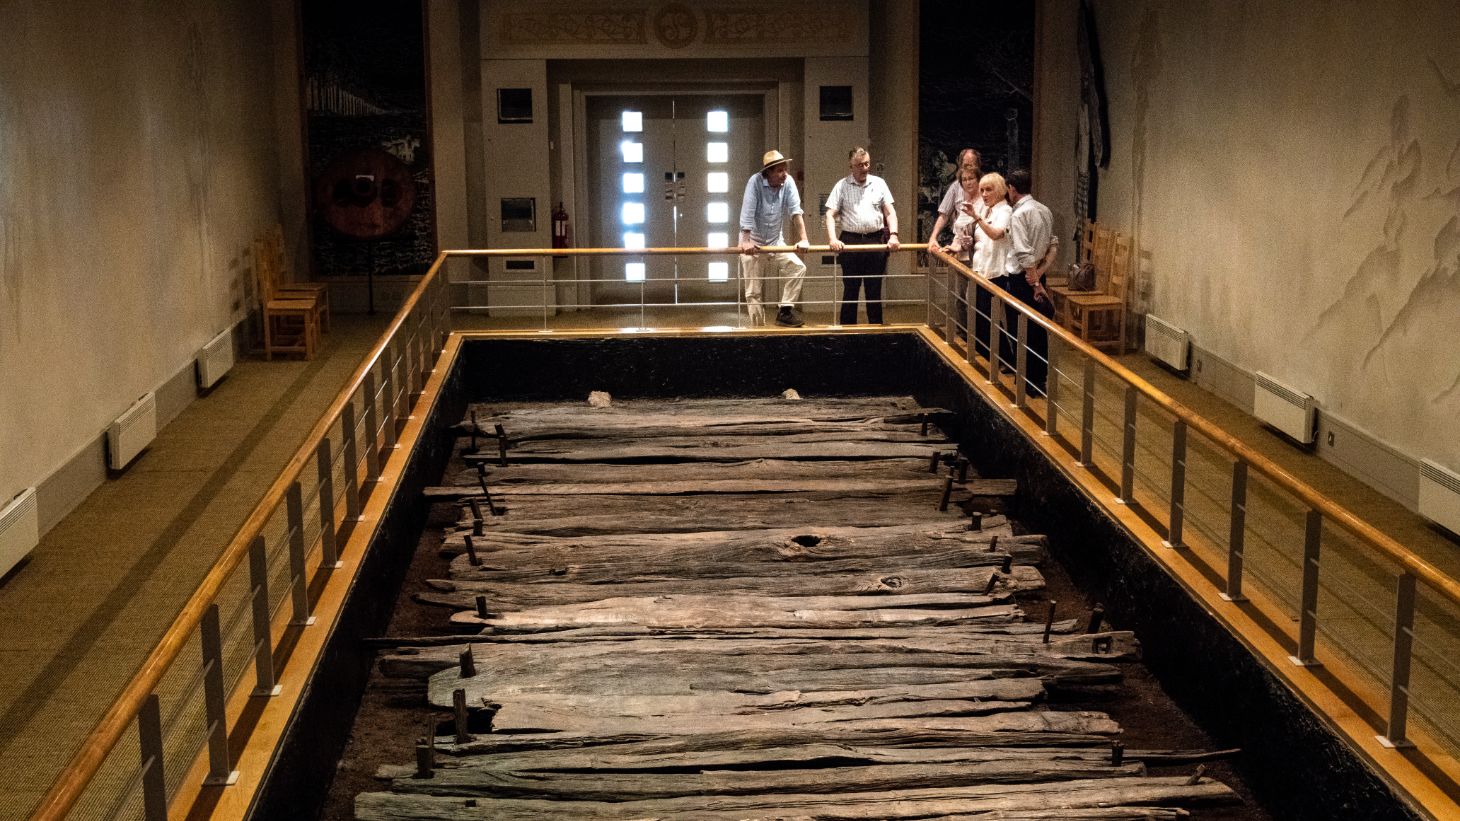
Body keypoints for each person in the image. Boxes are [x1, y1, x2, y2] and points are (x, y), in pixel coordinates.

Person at [825, 147, 900, 325]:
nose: (864, 168)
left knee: (874, 290)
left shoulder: (879, 183)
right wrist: (833, 239)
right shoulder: (841, 186)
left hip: (876, 240)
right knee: (850, 290)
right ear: (851, 166)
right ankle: (846, 333)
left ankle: (876, 331)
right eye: (859, 165)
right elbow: (829, 215)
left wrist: (894, 235)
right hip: (850, 242)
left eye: (866, 164)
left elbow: (890, 213)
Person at [738, 149, 810, 327]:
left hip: (776, 241)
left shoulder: (788, 182)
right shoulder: (754, 182)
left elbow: (795, 211)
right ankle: (758, 330)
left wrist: (804, 238)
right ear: (768, 172)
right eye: (779, 170)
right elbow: (748, 212)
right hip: (753, 242)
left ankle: (785, 311)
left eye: (785, 169)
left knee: (797, 267)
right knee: (753, 292)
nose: (784, 174)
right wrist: (745, 241)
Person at [1002, 167, 1057, 395]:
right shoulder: (1044, 210)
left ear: (1012, 189)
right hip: (1036, 274)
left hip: (1022, 278)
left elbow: (1023, 252)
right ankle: (1039, 379)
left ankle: (1027, 381)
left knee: (1020, 328)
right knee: (1038, 328)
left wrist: (1034, 282)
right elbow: (1053, 244)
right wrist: (1040, 274)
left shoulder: (1018, 214)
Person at [953, 172, 1013, 361]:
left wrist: (977, 218)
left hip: (996, 271)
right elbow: (984, 239)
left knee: (990, 320)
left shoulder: (1005, 211)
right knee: (979, 319)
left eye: (989, 190)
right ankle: (989, 359)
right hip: (981, 271)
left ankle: (1004, 359)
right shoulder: (988, 211)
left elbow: (996, 234)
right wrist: (968, 241)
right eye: (982, 191)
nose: (985, 194)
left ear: (1001, 191)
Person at [924, 148, 981, 248]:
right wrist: (933, 237)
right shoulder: (955, 186)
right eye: (965, 166)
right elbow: (944, 214)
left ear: (978, 166)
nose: (968, 169)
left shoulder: (987, 185)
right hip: (961, 243)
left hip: (982, 242)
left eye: (971, 166)